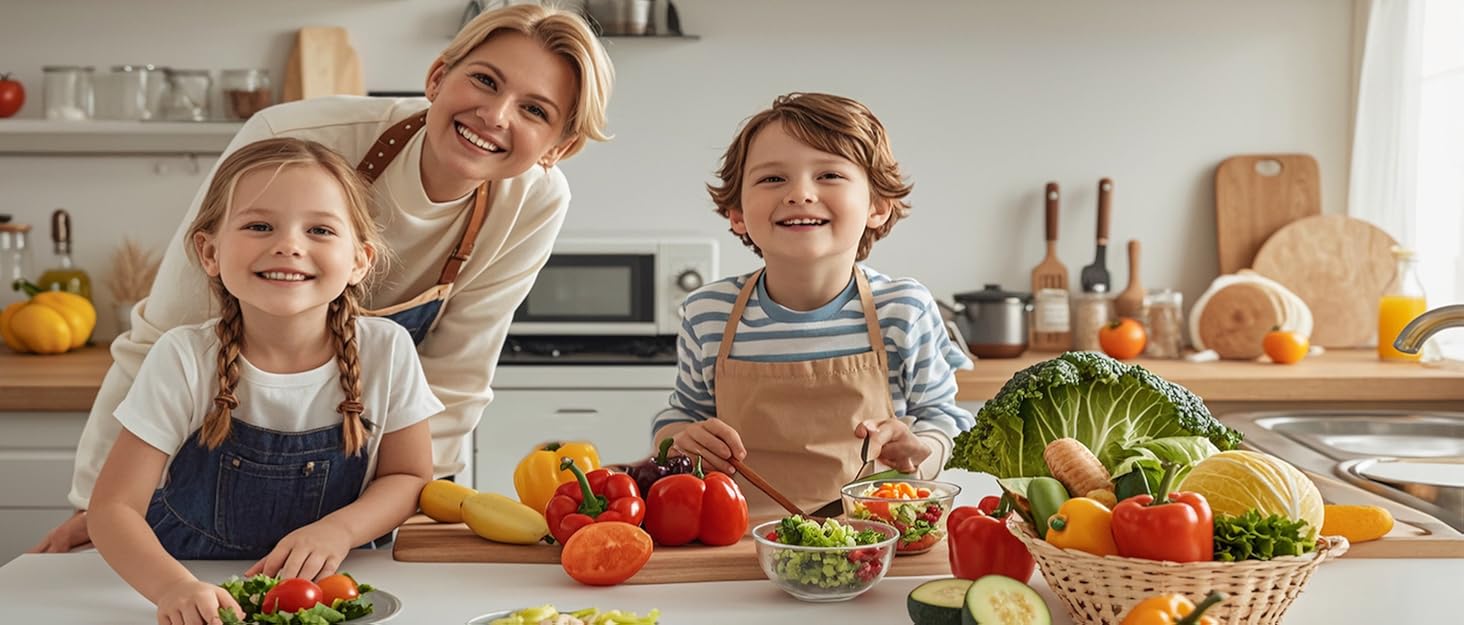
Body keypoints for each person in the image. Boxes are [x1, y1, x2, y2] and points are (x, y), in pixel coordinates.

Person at [32, 3, 615, 553]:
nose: (495, 115)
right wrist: (96, 505)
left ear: (558, 147)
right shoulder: (296, 139)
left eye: (535, 110)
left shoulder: (531, 203)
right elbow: (166, 333)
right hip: (195, 499)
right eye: (486, 80)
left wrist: (403, 514)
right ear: (438, 77)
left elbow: (457, 377)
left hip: (352, 513)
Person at [88, 137, 439, 625]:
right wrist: (174, 588)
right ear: (209, 252)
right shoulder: (184, 358)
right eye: (259, 225)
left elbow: (409, 477)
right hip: (193, 587)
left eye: (319, 229)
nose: (289, 245)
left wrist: (337, 531)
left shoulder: (387, 350)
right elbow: (112, 508)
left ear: (359, 260)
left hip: (336, 595)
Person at [650, 93, 976, 517]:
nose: (800, 194)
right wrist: (678, 440)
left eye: (828, 175)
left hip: (875, 539)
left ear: (877, 206)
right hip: (738, 542)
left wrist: (922, 451)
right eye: (772, 180)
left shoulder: (903, 309)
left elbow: (945, 420)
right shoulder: (708, 313)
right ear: (736, 213)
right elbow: (681, 417)